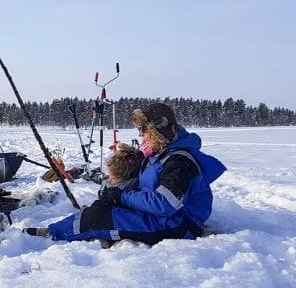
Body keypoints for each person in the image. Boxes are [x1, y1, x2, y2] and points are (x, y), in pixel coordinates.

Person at [27, 103, 226, 245]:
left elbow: (165, 204)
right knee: (100, 208)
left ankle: (49, 235)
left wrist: (122, 196)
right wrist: (113, 190)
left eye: (144, 130)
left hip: (177, 225)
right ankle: (59, 229)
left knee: (98, 218)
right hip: (158, 215)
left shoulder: (179, 162)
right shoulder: (160, 155)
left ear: (158, 132)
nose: (140, 134)